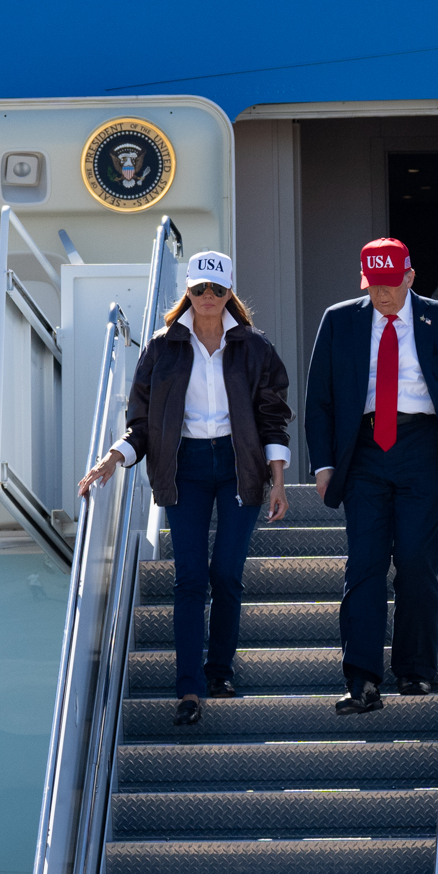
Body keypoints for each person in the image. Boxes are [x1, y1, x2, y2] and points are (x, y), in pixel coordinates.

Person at [77, 252, 292, 727]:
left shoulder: (256, 347)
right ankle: (189, 687)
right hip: (186, 467)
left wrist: (277, 478)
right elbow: (142, 421)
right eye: (199, 290)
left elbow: (273, 417)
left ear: (230, 292)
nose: (208, 298)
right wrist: (115, 456)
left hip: (242, 468)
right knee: (190, 578)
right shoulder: (162, 347)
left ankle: (220, 672)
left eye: (217, 290)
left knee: (228, 574)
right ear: (188, 293)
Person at [305, 237, 438, 716]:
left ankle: (416, 669)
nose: (382, 295)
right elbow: (318, 399)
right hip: (362, 451)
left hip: (423, 448)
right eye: (373, 285)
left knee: (416, 561)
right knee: (364, 563)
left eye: (390, 284)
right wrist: (323, 464)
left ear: (409, 276)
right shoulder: (339, 320)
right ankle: (362, 679)